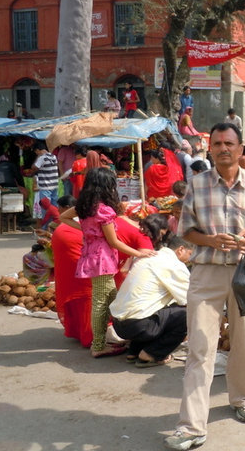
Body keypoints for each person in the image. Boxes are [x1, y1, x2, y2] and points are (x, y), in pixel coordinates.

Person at [165, 122, 245, 451]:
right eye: (217, 143)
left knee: (243, 342)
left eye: (230, 143)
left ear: (241, 149)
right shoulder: (197, 185)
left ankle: (241, 398)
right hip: (206, 274)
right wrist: (210, 240)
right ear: (210, 149)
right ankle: (191, 426)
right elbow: (186, 230)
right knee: (200, 348)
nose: (223, 148)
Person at [59, 168, 155, 358]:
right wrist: (139, 254)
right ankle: (98, 345)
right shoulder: (104, 210)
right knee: (102, 303)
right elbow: (114, 242)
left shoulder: (84, 205)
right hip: (102, 259)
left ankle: (113, 338)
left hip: (91, 256)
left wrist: (87, 230)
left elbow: (63, 217)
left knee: (110, 298)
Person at [110, 235, 192, 367]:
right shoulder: (174, 264)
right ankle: (151, 354)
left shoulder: (149, 257)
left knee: (157, 309)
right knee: (188, 314)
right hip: (138, 325)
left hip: (119, 323)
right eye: (190, 254)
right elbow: (190, 299)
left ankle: (134, 351)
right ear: (181, 249)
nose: (190, 259)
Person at [52, 195, 93, 348]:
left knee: (80, 297)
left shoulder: (67, 224)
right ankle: (89, 335)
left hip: (75, 268)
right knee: (86, 297)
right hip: (84, 268)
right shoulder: (85, 222)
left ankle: (79, 331)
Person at [29, 141, 60, 207]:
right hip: (54, 184)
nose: (36, 153)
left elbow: (33, 168)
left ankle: (47, 217)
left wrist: (37, 157)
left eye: (36, 152)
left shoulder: (42, 158)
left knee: (45, 206)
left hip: (45, 186)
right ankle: (55, 217)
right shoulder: (53, 156)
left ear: (37, 150)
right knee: (54, 205)